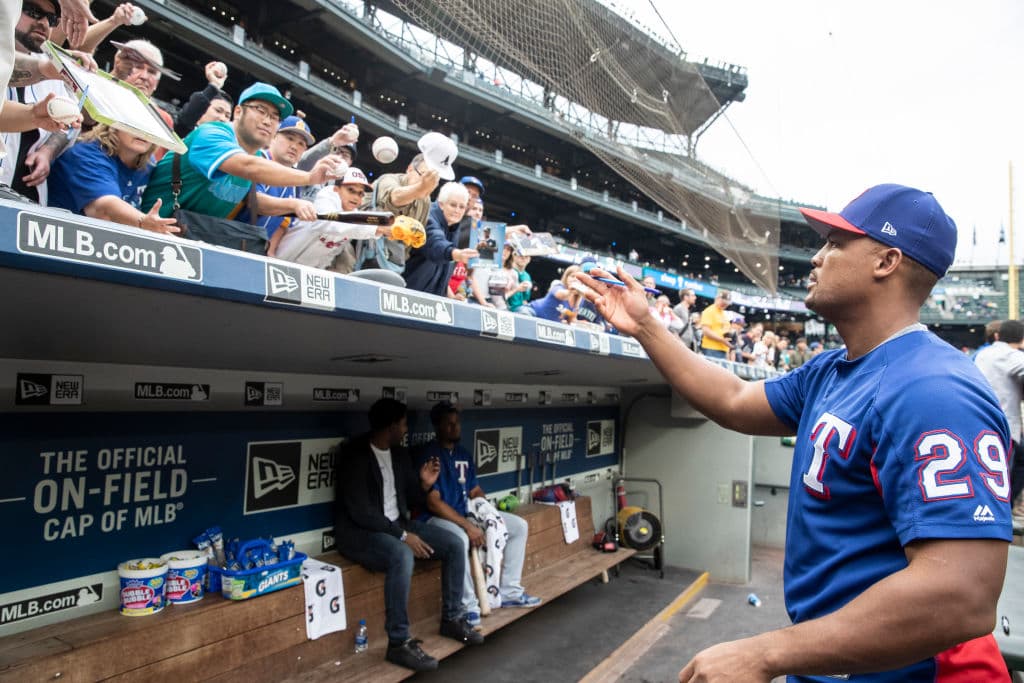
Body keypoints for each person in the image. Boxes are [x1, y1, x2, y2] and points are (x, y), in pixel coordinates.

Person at [579, 184, 1012, 682]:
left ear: (886, 261)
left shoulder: (933, 389)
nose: (817, 257)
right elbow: (734, 401)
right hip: (838, 657)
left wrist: (765, 654)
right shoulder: (834, 369)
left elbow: (962, 596)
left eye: (835, 243)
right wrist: (646, 327)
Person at [333, 398, 484, 673]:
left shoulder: (399, 455)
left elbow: (412, 498)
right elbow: (362, 512)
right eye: (403, 425)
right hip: (361, 533)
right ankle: (399, 642)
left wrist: (424, 485)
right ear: (390, 427)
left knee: (453, 542)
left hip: (397, 525)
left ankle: (452, 618)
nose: (406, 430)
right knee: (402, 555)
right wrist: (403, 536)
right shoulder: (355, 454)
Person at [416, 402, 541, 626]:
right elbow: (433, 503)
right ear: (437, 426)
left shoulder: (463, 453)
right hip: (436, 520)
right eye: (449, 424)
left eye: (457, 423)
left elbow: (474, 490)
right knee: (460, 539)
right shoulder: (430, 455)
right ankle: (468, 605)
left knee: (518, 526)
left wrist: (487, 511)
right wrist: (468, 525)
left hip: (466, 515)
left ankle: (510, 592)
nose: (455, 428)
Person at [140, 83, 343, 220]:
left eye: (274, 117)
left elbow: (251, 200)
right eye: (261, 110)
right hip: (148, 235)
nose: (267, 121)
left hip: (192, 239)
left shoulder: (253, 155)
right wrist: (309, 177)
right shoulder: (212, 133)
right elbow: (245, 166)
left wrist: (292, 204)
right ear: (238, 112)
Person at [48, 123, 176, 233]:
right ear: (113, 125)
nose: (143, 132)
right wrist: (143, 222)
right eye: (135, 124)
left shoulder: (147, 163)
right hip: (59, 234)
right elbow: (103, 210)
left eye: (150, 127)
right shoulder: (87, 154)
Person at [975, 318, 1024, 526]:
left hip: (978, 421)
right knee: (1003, 474)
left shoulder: (983, 353)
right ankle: (1001, 515)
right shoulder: (1011, 355)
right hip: (1003, 425)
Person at [402, 181, 477, 296]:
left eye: (462, 206)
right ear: (441, 204)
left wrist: (451, 296)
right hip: (409, 293)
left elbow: (442, 270)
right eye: (453, 205)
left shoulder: (453, 225)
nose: (457, 210)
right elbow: (436, 245)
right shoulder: (429, 217)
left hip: (430, 298)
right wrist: (456, 254)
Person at [699, 290, 733, 359]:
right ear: (717, 299)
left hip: (722, 349)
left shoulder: (723, 313)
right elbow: (706, 331)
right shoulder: (709, 311)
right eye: (723, 302)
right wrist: (722, 340)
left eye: (726, 303)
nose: (725, 305)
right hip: (711, 348)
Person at [673, 288, 698, 352]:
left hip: (686, 347)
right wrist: (680, 343)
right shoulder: (678, 309)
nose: (695, 297)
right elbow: (672, 329)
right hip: (678, 347)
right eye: (693, 295)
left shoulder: (687, 310)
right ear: (685, 297)